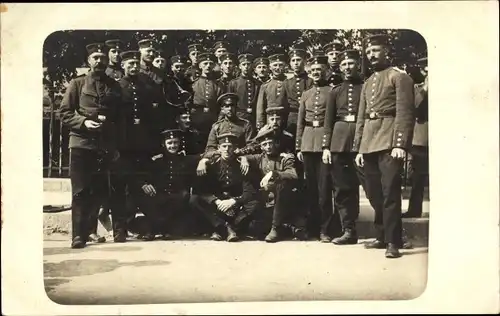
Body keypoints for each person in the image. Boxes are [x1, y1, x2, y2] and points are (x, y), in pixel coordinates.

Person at [353, 34, 415, 259]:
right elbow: (361, 117)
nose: (371, 55)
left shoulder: (399, 77)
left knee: (390, 193)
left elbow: (405, 112)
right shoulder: (368, 81)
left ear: (386, 51)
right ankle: (381, 236)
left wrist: (400, 144)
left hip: (389, 141)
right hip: (369, 142)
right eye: (369, 52)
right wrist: (359, 147)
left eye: (376, 50)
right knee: (374, 192)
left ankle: (393, 241)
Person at [58, 43, 122, 248]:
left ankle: (90, 231)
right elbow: (65, 113)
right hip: (81, 144)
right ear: (88, 60)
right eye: (95, 57)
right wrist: (84, 122)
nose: (99, 61)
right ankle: (78, 235)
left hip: (104, 146)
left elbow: (120, 118)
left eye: (103, 58)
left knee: (98, 191)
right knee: (80, 191)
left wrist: (114, 143)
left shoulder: (114, 86)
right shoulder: (77, 84)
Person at [106, 50, 160, 243]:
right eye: (130, 64)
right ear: (123, 66)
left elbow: (153, 119)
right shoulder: (116, 87)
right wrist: (113, 148)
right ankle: (120, 230)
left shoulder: (146, 87)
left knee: (144, 186)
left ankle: (146, 228)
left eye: (136, 63)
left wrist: (153, 147)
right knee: (120, 189)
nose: (134, 67)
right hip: (123, 147)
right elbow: (110, 119)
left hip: (142, 147)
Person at [322, 49, 367, 245]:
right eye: (343, 65)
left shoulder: (365, 88)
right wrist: (326, 147)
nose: (347, 68)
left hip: (361, 140)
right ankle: (348, 230)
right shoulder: (335, 91)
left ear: (357, 65)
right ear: (339, 68)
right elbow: (328, 120)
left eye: (351, 63)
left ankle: (389, 231)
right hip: (338, 143)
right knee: (342, 188)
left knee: (371, 186)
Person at [189, 133, 260, 242]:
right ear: (219, 148)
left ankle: (221, 229)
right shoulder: (212, 165)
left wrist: (234, 201)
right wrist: (216, 202)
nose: (227, 149)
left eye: (230, 146)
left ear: (235, 148)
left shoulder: (242, 165)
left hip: (236, 205)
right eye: (224, 146)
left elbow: (249, 190)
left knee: (254, 202)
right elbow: (202, 190)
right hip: (218, 205)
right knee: (194, 199)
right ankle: (227, 228)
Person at [296, 54, 333, 242]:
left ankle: (325, 229)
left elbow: (330, 121)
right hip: (308, 142)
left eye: (319, 70)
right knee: (310, 189)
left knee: (324, 189)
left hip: (323, 143)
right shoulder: (306, 94)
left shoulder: (331, 92)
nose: (316, 73)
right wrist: (299, 146)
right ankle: (311, 228)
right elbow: (300, 122)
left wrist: (327, 145)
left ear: (325, 71)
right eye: (313, 71)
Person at [136, 129, 198, 240]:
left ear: (179, 143)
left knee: (182, 198)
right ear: (164, 144)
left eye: (175, 142)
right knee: (145, 198)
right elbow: (141, 175)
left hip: (177, 196)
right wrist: (145, 184)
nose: (172, 146)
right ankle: (155, 229)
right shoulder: (156, 160)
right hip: (159, 194)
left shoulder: (185, 160)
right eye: (169, 143)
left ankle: (161, 229)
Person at [242, 128, 300, 242]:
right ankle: (288, 228)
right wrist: (244, 159)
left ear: (276, 143)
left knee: (281, 185)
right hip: (268, 203)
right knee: (253, 228)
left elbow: (293, 174)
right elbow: (241, 157)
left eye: (270, 143)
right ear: (262, 147)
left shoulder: (286, 157)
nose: (268, 147)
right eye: (265, 144)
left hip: (285, 201)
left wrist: (273, 173)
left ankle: (275, 228)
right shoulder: (260, 157)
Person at [404, 56, 428, 218]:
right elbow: (415, 107)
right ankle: (415, 209)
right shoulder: (417, 88)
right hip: (422, 137)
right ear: (422, 70)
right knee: (418, 176)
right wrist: (426, 88)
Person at [201, 93, 255, 160]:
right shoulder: (217, 126)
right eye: (227, 106)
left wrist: (241, 151)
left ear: (236, 107)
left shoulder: (246, 124)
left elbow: (252, 145)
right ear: (222, 109)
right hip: (221, 160)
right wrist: (219, 152)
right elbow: (210, 148)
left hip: (240, 159)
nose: (230, 109)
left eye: (232, 105)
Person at [190, 52, 223, 143]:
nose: (208, 66)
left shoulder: (218, 85)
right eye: (205, 63)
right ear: (200, 66)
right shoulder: (194, 83)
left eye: (211, 64)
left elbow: (221, 105)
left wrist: (219, 121)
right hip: (197, 119)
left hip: (213, 119)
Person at [284, 48, 314, 138]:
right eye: (293, 60)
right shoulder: (286, 83)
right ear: (290, 64)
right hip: (292, 119)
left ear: (304, 61)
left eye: (298, 60)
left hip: (307, 117)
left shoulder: (311, 81)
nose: (296, 63)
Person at [256, 54, 289, 131]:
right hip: (270, 122)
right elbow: (260, 107)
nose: (277, 68)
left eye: (280, 65)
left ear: (285, 66)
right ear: (270, 68)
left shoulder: (289, 83)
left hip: (287, 121)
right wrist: (260, 125)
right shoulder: (265, 86)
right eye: (275, 65)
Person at [228, 53, 260, 124]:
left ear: (251, 66)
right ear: (240, 66)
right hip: (239, 116)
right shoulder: (234, 83)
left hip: (254, 117)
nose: (246, 67)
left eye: (248, 64)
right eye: (244, 64)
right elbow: (230, 102)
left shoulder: (258, 83)